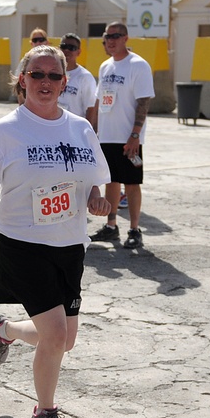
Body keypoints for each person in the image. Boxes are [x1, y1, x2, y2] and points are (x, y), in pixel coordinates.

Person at [0, 44, 111, 418]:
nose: (45, 82)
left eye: (53, 76)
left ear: (65, 82)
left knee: (63, 339)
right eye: (36, 75)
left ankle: (3, 329)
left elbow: (95, 177)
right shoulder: (6, 130)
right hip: (22, 243)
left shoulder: (80, 128)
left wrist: (96, 197)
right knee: (56, 335)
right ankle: (45, 416)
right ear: (22, 80)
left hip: (69, 244)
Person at [89, 21, 154, 249]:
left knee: (132, 183)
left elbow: (143, 102)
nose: (111, 40)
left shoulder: (138, 65)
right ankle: (111, 226)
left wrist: (135, 135)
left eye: (116, 35)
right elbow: (99, 101)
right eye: (107, 36)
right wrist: (92, 130)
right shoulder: (105, 66)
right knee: (111, 182)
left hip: (128, 138)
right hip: (107, 136)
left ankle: (135, 229)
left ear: (126, 38)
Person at [57, 32, 97, 131]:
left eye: (71, 48)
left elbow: (91, 109)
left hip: (74, 129)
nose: (67, 50)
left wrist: (87, 133)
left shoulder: (84, 77)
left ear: (78, 52)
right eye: (64, 46)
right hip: (54, 127)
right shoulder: (53, 73)